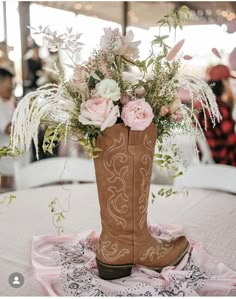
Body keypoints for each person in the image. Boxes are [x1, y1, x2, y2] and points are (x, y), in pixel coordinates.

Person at [198, 66, 236, 166]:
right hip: (225, 158)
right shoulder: (221, 107)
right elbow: (231, 140)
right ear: (223, 82)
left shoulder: (203, 105)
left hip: (210, 157)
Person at [0, 67, 16, 188]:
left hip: (13, 157)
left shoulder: (8, 102)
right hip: (6, 158)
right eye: (9, 85)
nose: (12, 88)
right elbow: (8, 129)